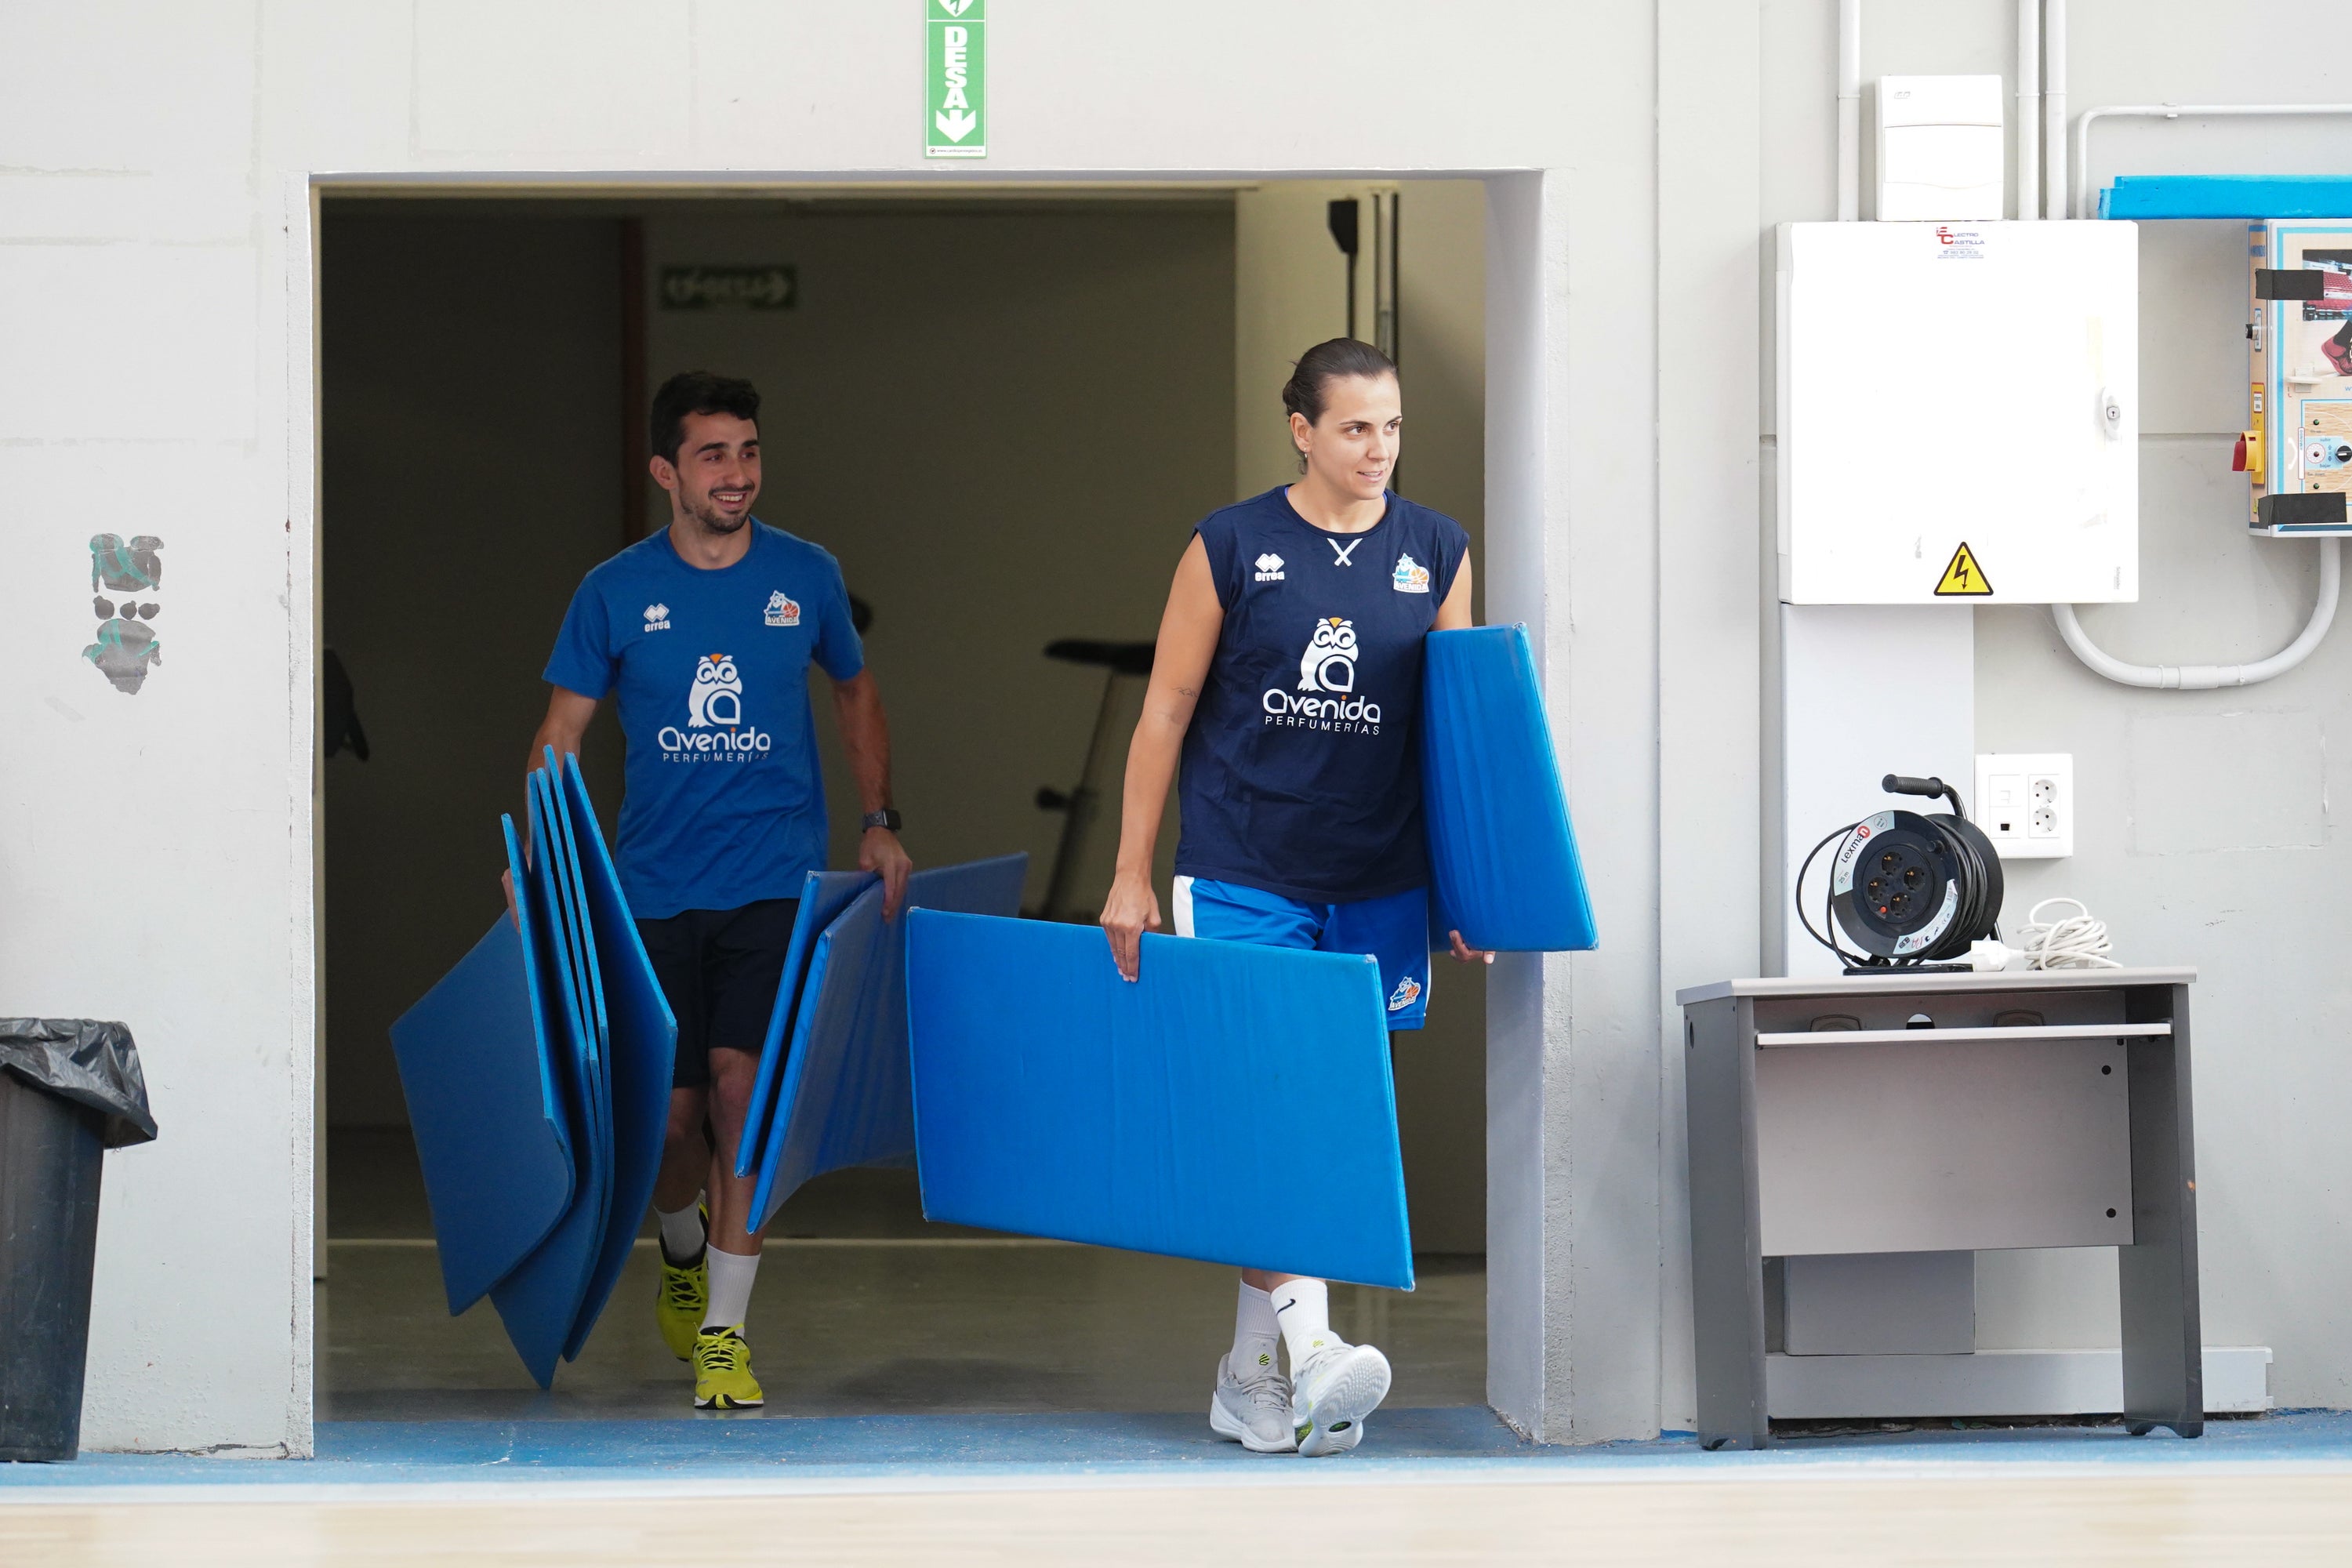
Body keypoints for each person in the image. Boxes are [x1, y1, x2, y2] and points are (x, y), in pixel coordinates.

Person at [1098, 338, 1489, 1457]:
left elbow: (1454, 735)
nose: (1380, 449)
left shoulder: (1436, 551)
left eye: (1394, 427)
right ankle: (1313, 1352)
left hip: (1377, 879)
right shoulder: (1229, 546)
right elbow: (1166, 711)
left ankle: (1245, 1379)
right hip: (1243, 865)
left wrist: (1467, 886)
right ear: (1302, 430)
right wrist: (1130, 872)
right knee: (1273, 1100)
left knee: (1330, 1112)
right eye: (1357, 427)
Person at [527, 370, 912, 1408]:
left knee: (746, 1089)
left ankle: (727, 1336)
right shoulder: (613, 592)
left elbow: (855, 688)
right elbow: (558, 741)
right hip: (652, 890)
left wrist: (879, 826)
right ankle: (682, 1244)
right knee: (670, 1127)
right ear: (666, 471)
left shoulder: (807, 576)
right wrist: (546, 877)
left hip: (772, 885)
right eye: (712, 455)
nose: (736, 473)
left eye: (747, 451)